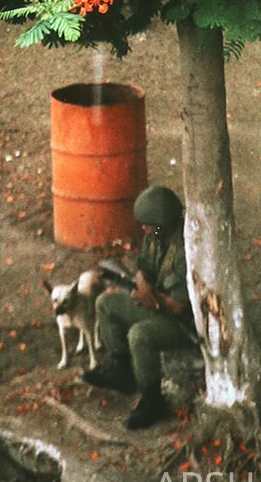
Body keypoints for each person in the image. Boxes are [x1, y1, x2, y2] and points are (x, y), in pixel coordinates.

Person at [83, 184, 199, 430]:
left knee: (140, 335)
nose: (144, 229)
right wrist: (143, 283)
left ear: (163, 223)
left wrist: (151, 298)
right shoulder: (155, 236)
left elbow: (178, 306)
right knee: (106, 303)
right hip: (157, 305)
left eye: (148, 225)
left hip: (184, 323)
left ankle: (152, 399)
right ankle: (121, 372)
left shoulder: (186, 250)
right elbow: (143, 267)